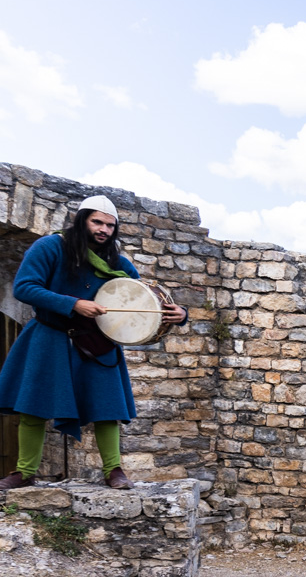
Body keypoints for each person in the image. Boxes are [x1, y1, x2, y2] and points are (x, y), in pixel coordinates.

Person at [0, 195, 187, 490]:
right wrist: (73, 304)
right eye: (97, 221)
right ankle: (24, 472)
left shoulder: (119, 263)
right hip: (49, 335)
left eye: (110, 225)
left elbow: (144, 303)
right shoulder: (50, 247)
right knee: (33, 406)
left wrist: (179, 314)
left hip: (97, 342)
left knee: (107, 407)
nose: (103, 229)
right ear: (82, 219)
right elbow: (24, 287)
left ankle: (114, 470)